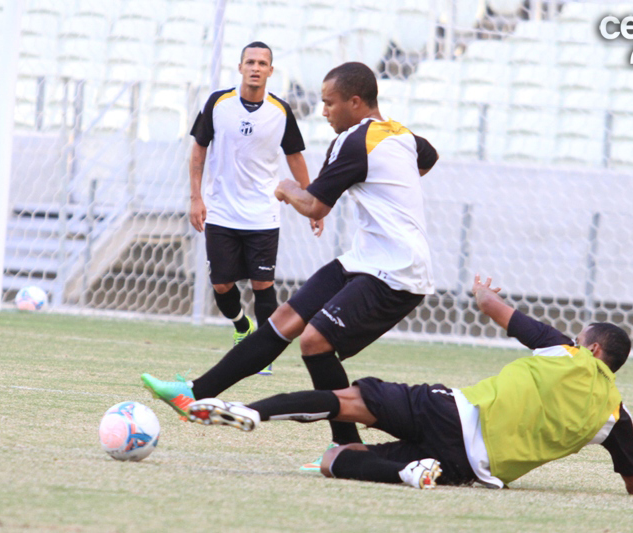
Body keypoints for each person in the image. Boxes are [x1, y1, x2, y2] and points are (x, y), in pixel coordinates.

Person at [142, 62, 440, 468]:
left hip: (398, 271)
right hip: (367, 257)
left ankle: (347, 445)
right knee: (285, 318)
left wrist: (285, 189)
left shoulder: (354, 142)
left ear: (355, 103)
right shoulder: (400, 133)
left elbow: (314, 205)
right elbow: (428, 157)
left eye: (329, 103)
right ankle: (194, 391)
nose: (324, 112)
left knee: (315, 342)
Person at [183, 274, 633, 495]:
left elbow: (493, 309)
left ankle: (254, 411)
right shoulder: (614, 417)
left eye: (582, 338)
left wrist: (483, 291)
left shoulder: (563, 349)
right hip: (471, 467)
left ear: (593, 350)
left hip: (453, 412)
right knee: (335, 461)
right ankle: (405, 475)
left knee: (349, 403)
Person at [189, 41, 322, 375]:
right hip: (221, 210)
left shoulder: (280, 111)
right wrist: (195, 197)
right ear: (240, 67)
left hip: (263, 213)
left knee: (262, 285)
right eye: (250, 61)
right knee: (221, 283)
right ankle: (240, 325)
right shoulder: (218, 103)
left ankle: (264, 355)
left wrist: (312, 203)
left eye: (262, 63)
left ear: (270, 71)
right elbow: (198, 151)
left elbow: (294, 156)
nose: (256, 67)